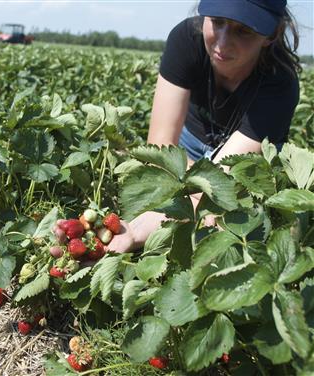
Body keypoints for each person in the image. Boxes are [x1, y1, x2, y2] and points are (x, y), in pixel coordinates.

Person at [107, 0, 302, 253]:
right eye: (217, 22)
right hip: (190, 143)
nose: (221, 43)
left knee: (223, 221)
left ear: (270, 35)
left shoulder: (281, 83)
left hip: (244, 160)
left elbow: (218, 190)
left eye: (243, 31)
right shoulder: (187, 39)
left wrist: (140, 230)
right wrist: (132, 230)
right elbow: (160, 154)